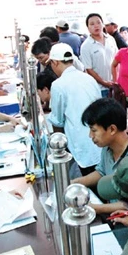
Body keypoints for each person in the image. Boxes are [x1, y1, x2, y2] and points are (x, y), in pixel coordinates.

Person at [72, 98, 128, 214]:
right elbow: (102, 172)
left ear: (112, 129)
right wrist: (77, 182)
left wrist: (94, 208)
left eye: (94, 130)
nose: (90, 136)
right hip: (114, 214)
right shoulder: (108, 147)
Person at [48, 43, 102, 176]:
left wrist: (59, 149)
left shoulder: (58, 85)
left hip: (80, 146)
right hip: (100, 140)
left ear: (55, 62)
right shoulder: (89, 79)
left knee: (87, 184)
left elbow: (57, 121)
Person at [80, 13, 118, 97]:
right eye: (92, 24)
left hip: (114, 85)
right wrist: (104, 83)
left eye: (98, 22)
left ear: (103, 24)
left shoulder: (111, 40)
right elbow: (89, 69)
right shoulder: (86, 46)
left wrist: (116, 81)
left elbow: (117, 61)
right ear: (88, 28)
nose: (96, 26)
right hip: (98, 88)